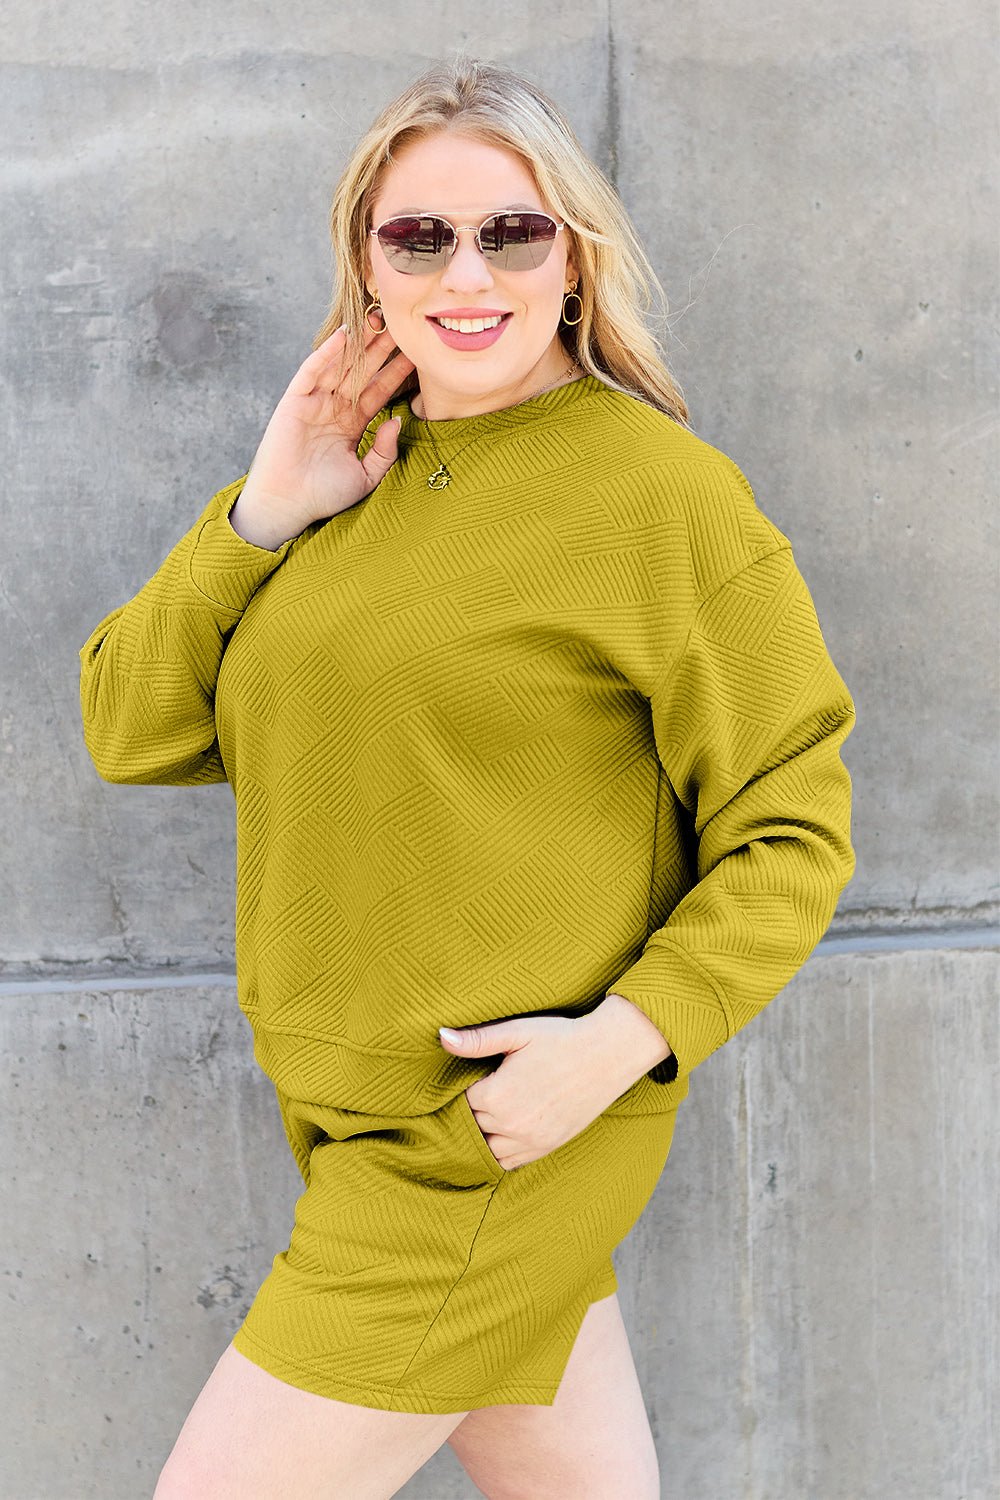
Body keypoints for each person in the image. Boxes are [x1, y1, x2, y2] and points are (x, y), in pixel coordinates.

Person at [79, 56, 856, 1500]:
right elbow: (132, 726)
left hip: (482, 1142)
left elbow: (793, 829)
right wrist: (263, 508)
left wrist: (620, 1044)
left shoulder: (663, 500)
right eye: (418, 236)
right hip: (338, 1109)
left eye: (514, 230)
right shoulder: (344, 474)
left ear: (577, 257)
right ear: (367, 268)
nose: (466, 271)